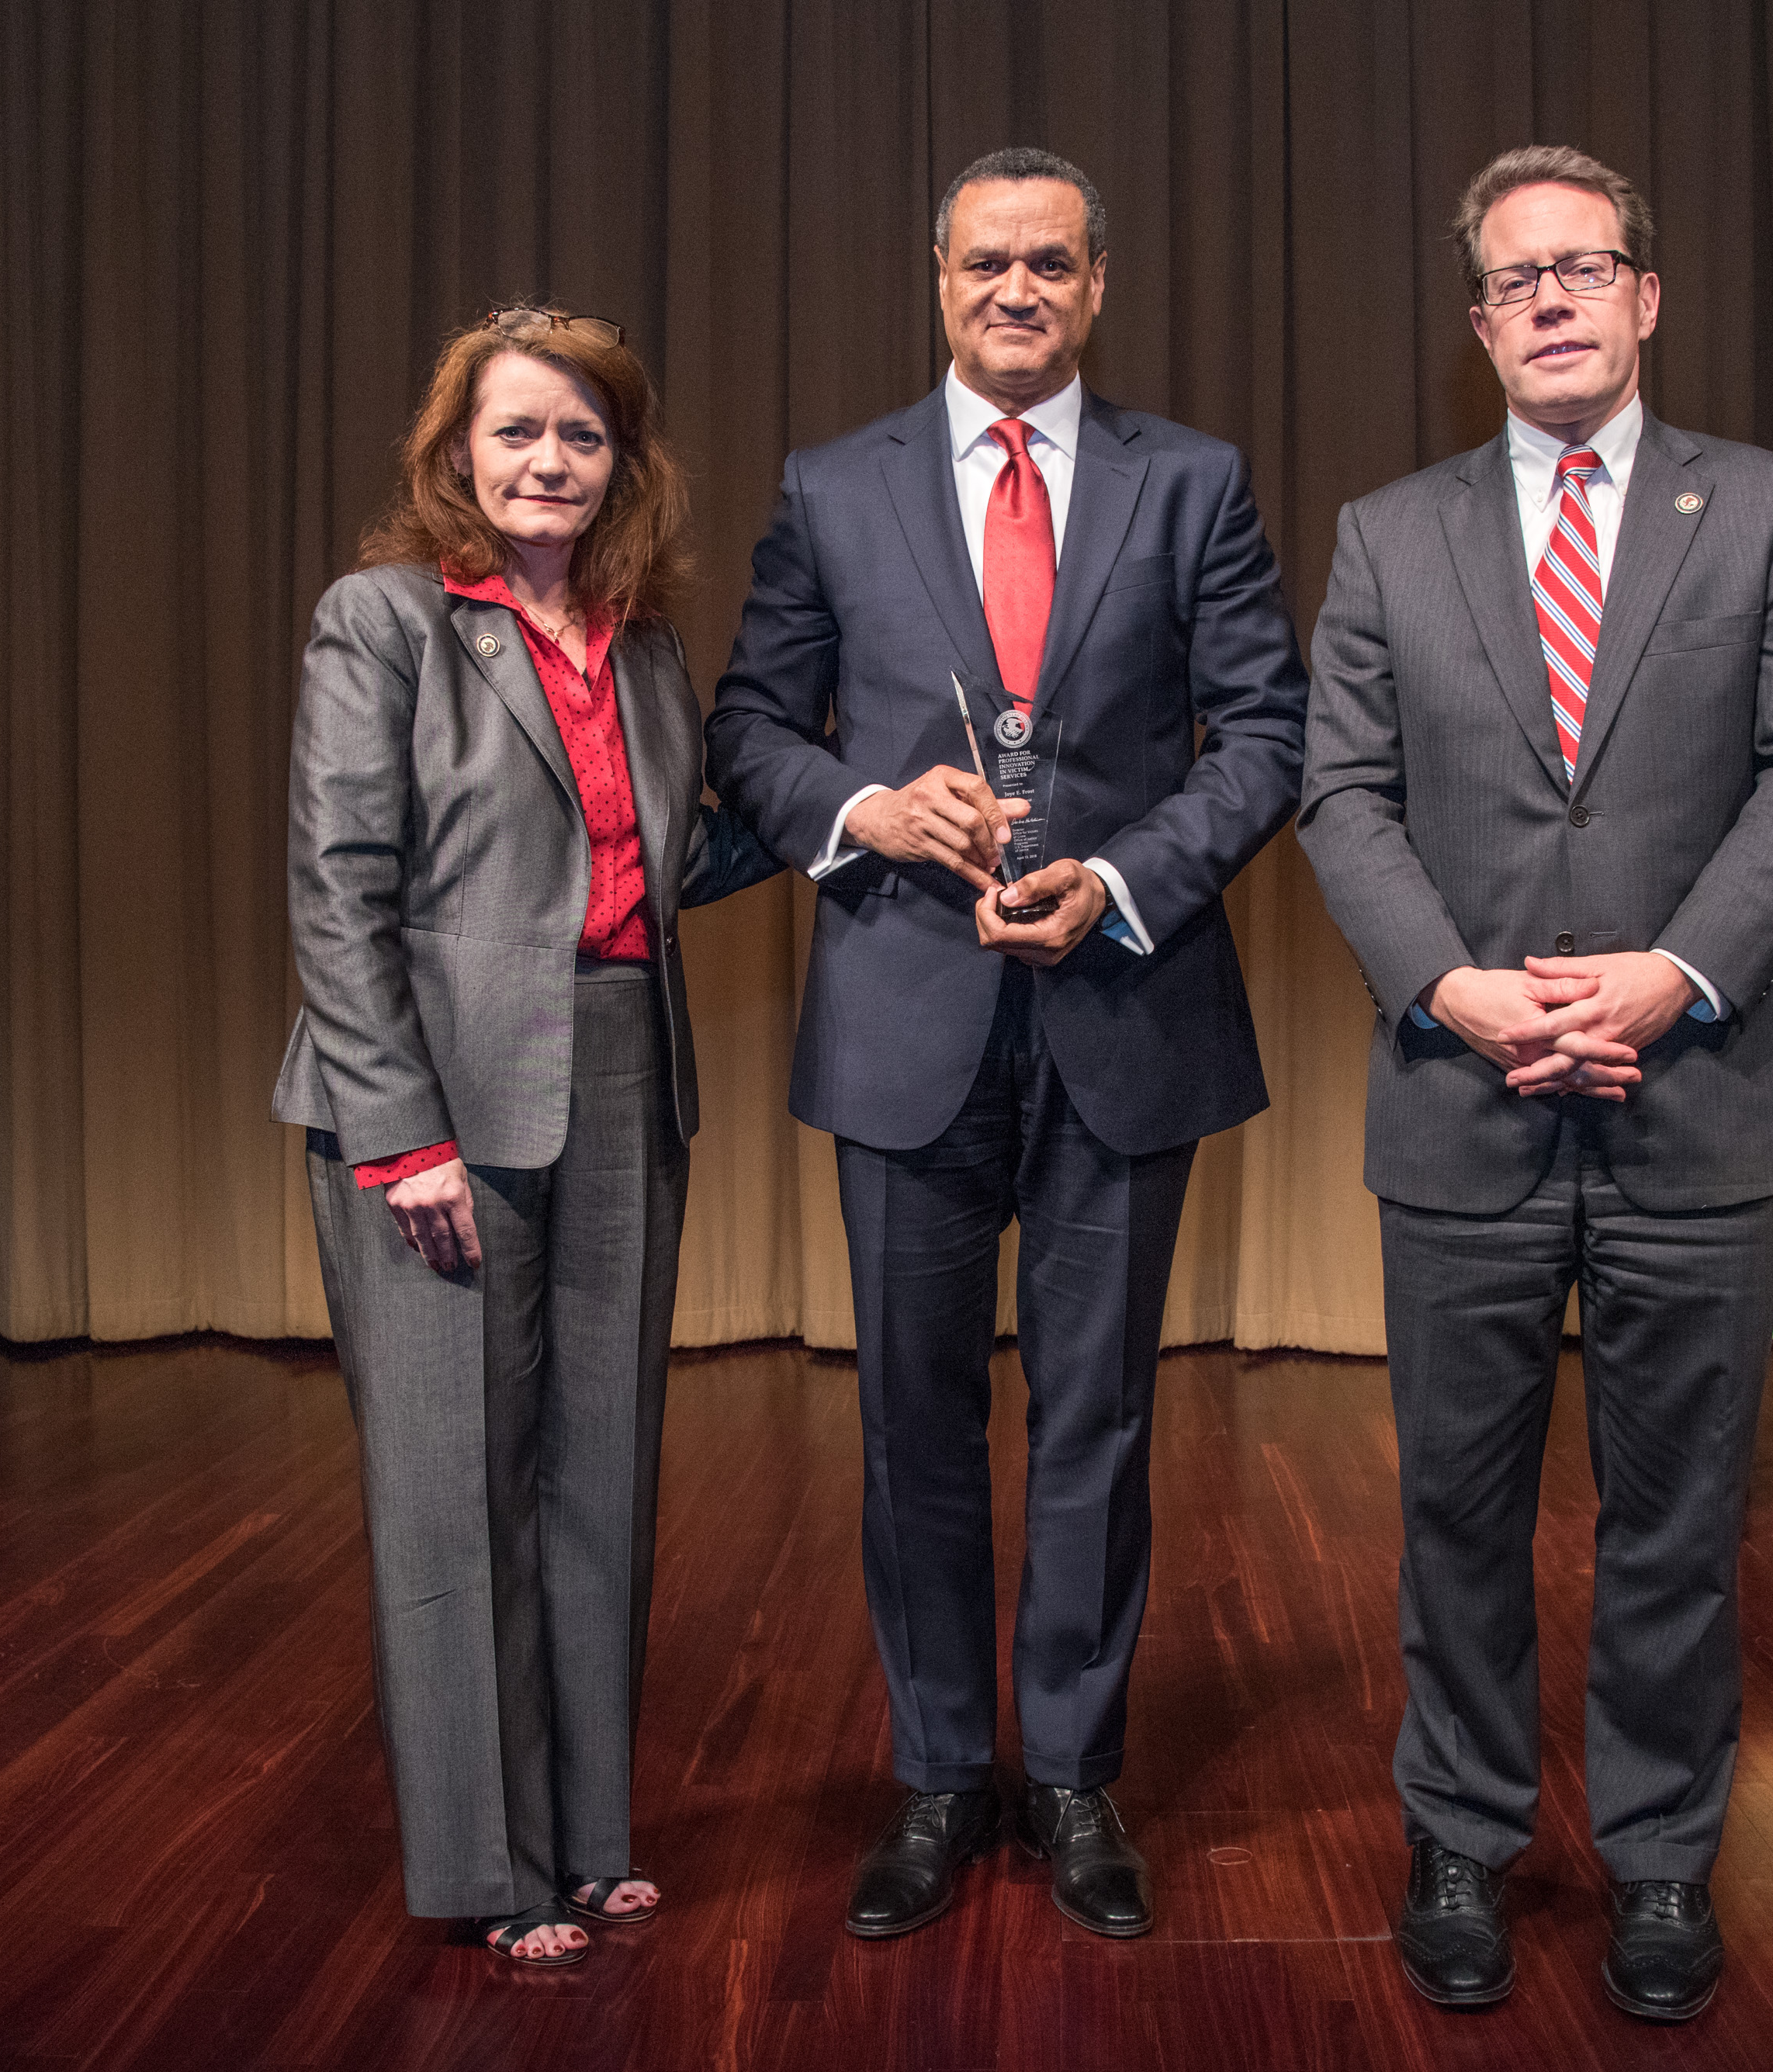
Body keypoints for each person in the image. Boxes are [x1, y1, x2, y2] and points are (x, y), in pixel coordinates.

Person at [705, 147, 1307, 1942]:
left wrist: (1123, 874)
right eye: (987, 264)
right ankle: (938, 1778)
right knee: (909, 1422)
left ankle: (1070, 1777)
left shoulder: (1190, 480)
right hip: (905, 1015)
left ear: (1096, 285)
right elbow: (748, 722)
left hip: (1123, 1000)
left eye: (1050, 263)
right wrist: (866, 811)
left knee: (1097, 1422)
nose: (1016, 289)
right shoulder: (833, 487)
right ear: (940, 280)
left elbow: (1265, 733)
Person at [1297, 146, 1773, 2020]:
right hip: (1460, 1099)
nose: (1550, 298)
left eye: (1584, 266)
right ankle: (1456, 1837)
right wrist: (1454, 990)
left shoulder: (1770, 514)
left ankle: (1660, 1865)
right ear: (1477, 323)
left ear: (1642, 299)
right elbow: (1342, 796)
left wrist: (1670, 976)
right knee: (1453, 1514)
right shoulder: (1388, 535)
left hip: (1695, 1103)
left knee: (1676, 1520)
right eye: (1514, 277)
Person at [274, 303, 777, 1967]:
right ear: (455, 453)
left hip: (623, 1068)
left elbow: (654, 857)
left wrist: (851, 821)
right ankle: (486, 1869)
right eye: (515, 432)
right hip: (433, 1097)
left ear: (620, 460)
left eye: (580, 434)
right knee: (451, 1494)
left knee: (600, 1479)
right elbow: (339, 894)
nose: (547, 460)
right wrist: (396, 1132)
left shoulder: (638, 640)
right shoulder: (388, 621)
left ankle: (587, 1838)